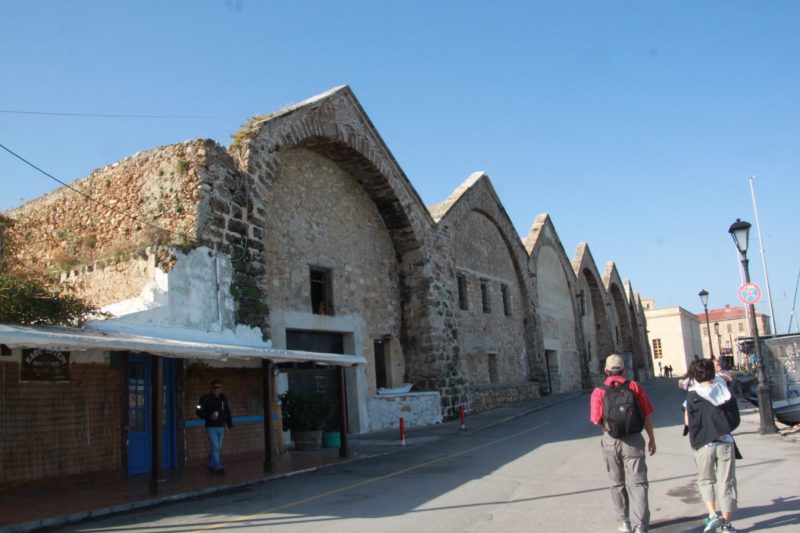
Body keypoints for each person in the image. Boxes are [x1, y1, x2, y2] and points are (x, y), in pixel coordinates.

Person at [590, 354, 657, 533]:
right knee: (638, 483)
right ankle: (640, 525)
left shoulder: (599, 391)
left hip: (611, 441)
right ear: (624, 370)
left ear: (606, 370)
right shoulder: (634, 387)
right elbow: (646, 415)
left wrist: (609, 428)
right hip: (634, 440)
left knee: (617, 482)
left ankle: (624, 522)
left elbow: (596, 419)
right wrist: (651, 438)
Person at [684, 359, 740, 533]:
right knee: (726, 482)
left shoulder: (692, 395)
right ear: (712, 373)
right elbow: (735, 418)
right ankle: (727, 524)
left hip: (704, 443)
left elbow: (687, 421)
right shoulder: (724, 391)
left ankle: (712, 514)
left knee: (706, 480)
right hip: (725, 442)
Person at [196, 379, 234, 475]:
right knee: (215, 447)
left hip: (221, 426)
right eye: (215, 387)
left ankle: (209, 464)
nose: (216, 389)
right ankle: (218, 468)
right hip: (211, 427)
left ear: (221, 388)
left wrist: (229, 424)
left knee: (217, 447)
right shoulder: (206, 398)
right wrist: (209, 416)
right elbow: (198, 410)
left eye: (218, 387)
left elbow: (227, 411)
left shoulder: (223, 398)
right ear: (211, 388)